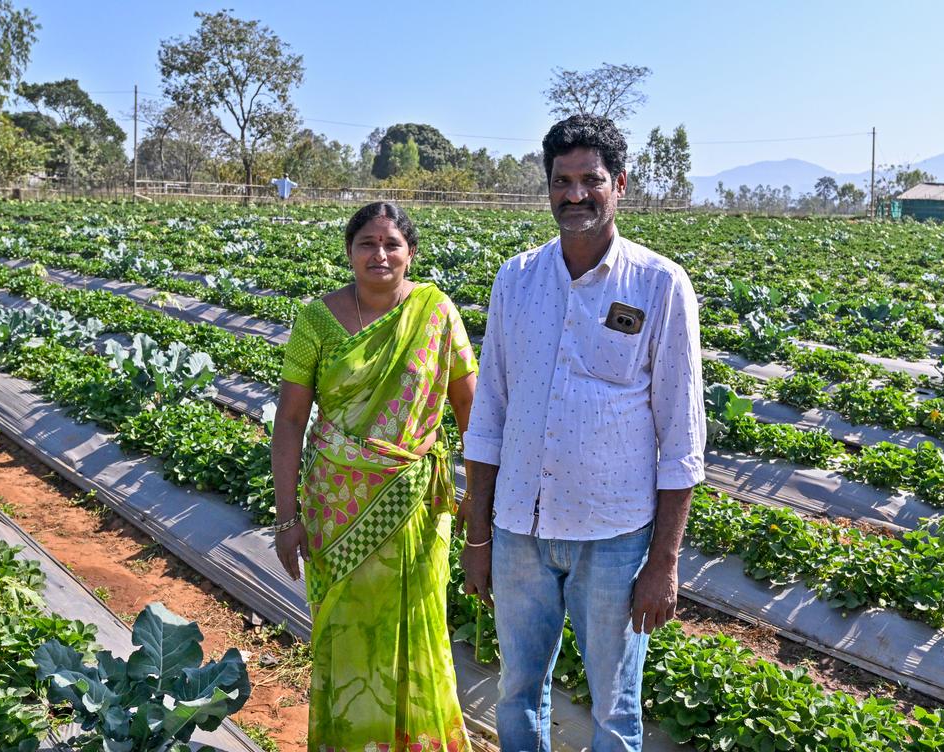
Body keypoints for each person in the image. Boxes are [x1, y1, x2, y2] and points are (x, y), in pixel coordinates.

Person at [458, 115, 705, 751]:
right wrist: (478, 536)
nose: (575, 195)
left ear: (619, 184)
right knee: (517, 691)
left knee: (615, 709)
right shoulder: (516, 280)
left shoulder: (659, 285)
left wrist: (664, 563)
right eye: (561, 181)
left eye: (590, 179)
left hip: (614, 538)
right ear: (546, 187)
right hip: (519, 530)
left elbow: (681, 440)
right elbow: (489, 417)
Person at [271, 201, 478, 752]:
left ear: (410, 253)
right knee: (345, 633)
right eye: (367, 243)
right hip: (335, 508)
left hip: (414, 508)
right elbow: (290, 422)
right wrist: (286, 518)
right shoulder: (316, 320)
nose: (379, 254)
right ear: (349, 252)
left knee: (418, 629)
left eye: (391, 244)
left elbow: (471, 414)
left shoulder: (436, 311)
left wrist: (481, 507)